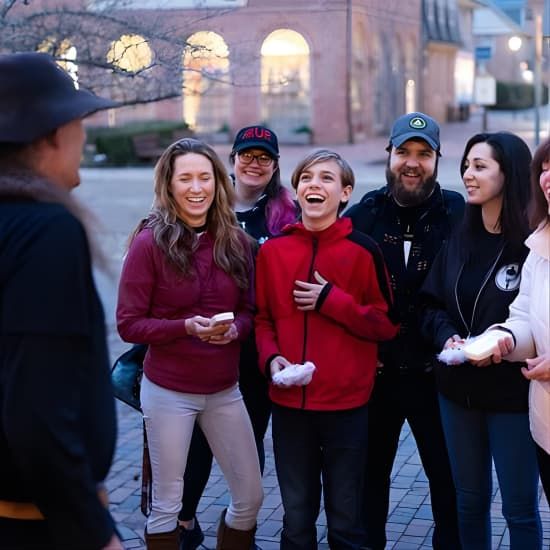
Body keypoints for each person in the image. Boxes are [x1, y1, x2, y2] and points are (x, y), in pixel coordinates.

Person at [117, 137, 263, 549]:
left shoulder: (236, 241)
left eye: (205, 177)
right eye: (186, 178)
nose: (196, 188)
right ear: (169, 184)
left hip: (224, 390)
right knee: (167, 505)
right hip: (167, 391)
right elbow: (129, 324)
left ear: (218, 182)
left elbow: (252, 311)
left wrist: (237, 329)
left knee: (250, 498)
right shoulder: (149, 243)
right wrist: (185, 328)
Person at [0, 52, 122, 549]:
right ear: (52, 133)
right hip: (38, 524)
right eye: (78, 124)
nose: (84, 138)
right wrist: (96, 534)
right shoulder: (46, 231)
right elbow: (37, 410)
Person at [255, 149, 399, 549]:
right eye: (306, 178)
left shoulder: (363, 251)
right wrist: (271, 359)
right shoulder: (272, 252)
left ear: (346, 193)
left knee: (345, 521)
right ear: (296, 191)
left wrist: (331, 300)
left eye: (326, 178)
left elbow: (385, 325)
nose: (314, 184)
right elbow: (263, 319)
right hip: (290, 406)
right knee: (297, 519)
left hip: (346, 408)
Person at [344, 112, 463, 550]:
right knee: (368, 479)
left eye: (423, 154)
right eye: (404, 153)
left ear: (436, 159)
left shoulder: (458, 214)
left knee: (446, 477)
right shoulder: (363, 216)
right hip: (377, 375)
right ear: (389, 155)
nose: (412, 163)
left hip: (437, 376)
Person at [420, 132, 542, 549]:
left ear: (509, 174)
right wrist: (447, 335)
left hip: (512, 395)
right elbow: (431, 303)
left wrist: (501, 345)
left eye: (480, 166)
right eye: (466, 165)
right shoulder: (460, 235)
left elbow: (536, 321)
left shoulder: (533, 243)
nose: (467, 176)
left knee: (519, 509)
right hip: (456, 393)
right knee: (469, 503)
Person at [178, 125, 297, 548]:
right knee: (195, 439)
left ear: (275, 165)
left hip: (257, 346)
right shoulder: (203, 203)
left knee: (246, 437)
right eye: (247, 154)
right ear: (231, 159)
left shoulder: (287, 214)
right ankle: (185, 521)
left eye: (264, 157)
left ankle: (240, 523)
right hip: (203, 343)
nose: (254, 163)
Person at [482, 137, 550, 506]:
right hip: (547, 427)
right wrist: (505, 338)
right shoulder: (539, 247)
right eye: (544, 167)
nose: (548, 176)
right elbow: (524, 313)